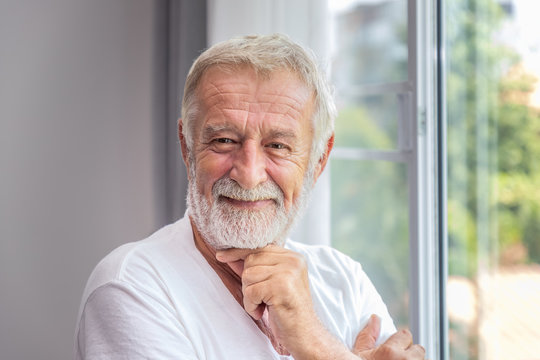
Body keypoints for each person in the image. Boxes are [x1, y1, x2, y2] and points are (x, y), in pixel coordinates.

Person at [75, 34, 425, 359]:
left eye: (277, 146)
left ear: (318, 161)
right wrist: (321, 348)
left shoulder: (343, 279)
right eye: (224, 140)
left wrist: (308, 331)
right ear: (186, 147)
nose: (249, 173)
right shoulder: (131, 287)